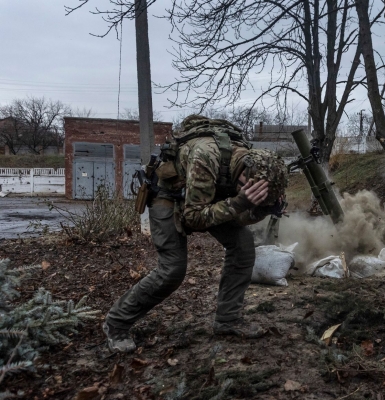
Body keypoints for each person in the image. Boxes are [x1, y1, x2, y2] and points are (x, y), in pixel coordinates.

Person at [103, 115, 288, 353]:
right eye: (251, 191)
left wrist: (261, 209)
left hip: (206, 197)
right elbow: (193, 218)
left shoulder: (256, 164)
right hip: (168, 195)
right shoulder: (206, 157)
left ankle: (227, 320)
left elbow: (238, 216)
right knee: (172, 269)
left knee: (243, 246)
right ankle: (116, 323)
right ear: (244, 177)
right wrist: (240, 202)